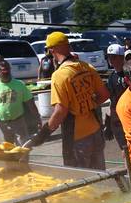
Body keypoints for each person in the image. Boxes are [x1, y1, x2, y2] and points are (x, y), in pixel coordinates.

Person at [24, 32, 110, 170]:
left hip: (77, 138)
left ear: (52, 50)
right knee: (100, 178)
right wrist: (89, 104)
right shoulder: (86, 67)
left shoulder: (60, 76)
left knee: (81, 184)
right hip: (95, 132)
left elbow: (60, 111)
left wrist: (43, 134)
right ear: (68, 47)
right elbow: (105, 94)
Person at [0, 59, 34, 145]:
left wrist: (36, 118)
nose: (6, 72)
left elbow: (30, 102)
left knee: (24, 147)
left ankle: (23, 159)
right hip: (3, 123)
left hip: (19, 121)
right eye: (3, 71)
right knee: (6, 149)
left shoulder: (19, 84)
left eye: (8, 70)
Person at [104, 44, 128, 150]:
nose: (111, 60)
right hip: (117, 119)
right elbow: (111, 99)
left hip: (129, 116)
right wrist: (108, 123)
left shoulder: (129, 74)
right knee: (124, 148)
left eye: (114, 56)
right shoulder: (111, 77)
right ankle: (129, 167)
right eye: (109, 57)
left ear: (122, 57)